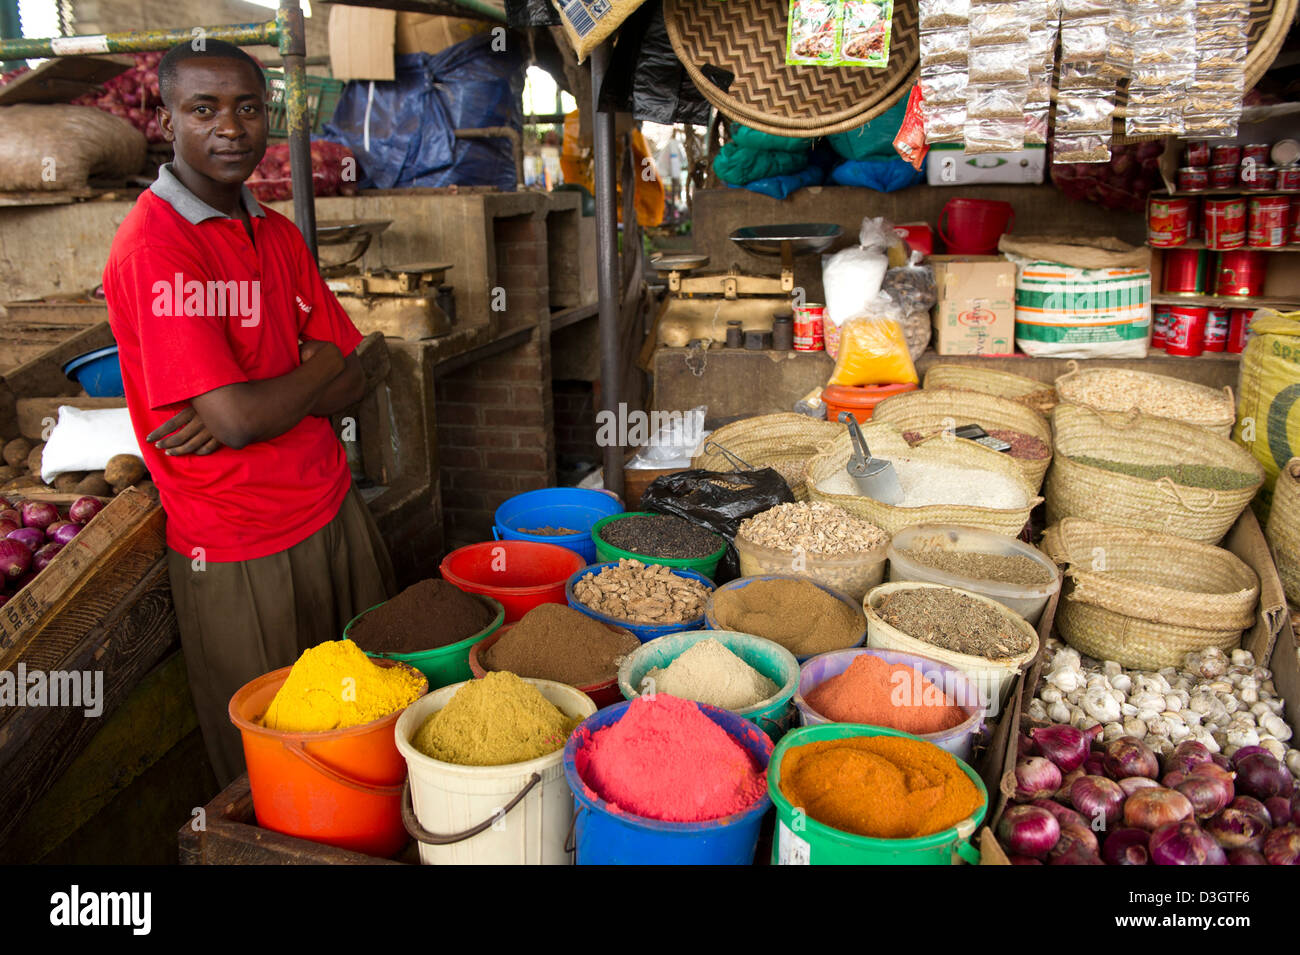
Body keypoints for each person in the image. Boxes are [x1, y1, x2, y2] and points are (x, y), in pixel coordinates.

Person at [102, 40, 394, 785]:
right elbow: (234, 419)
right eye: (204, 109)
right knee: (279, 768)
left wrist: (281, 390)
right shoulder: (157, 247)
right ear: (167, 119)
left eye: (248, 107)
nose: (231, 127)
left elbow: (350, 384)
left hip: (332, 513)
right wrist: (312, 365)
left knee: (371, 728)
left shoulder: (276, 232)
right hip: (238, 546)